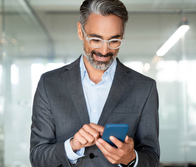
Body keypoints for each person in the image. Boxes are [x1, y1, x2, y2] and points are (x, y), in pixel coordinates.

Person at [30, 0, 160, 166]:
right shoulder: (49, 84)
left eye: (114, 41)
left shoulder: (144, 88)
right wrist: (72, 147)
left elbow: (152, 157)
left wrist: (131, 159)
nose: (104, 51)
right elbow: (37, 157)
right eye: (96, 40)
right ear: (80, 31)